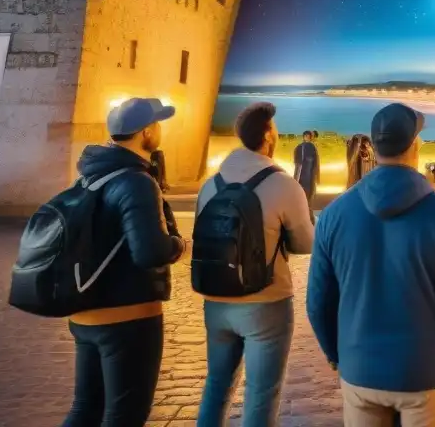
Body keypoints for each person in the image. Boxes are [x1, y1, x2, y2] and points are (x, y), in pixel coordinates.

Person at [308, 103, 435, 427]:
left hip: (360, 371)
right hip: (429, 374)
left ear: (373, 148)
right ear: (415, 146)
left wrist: (339, 356)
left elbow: (317, 302)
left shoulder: (333, 214)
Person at [63, 98, 186, 427]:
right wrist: (179, 244)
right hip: (127, 317)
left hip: (85, 310)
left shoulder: (88, 176)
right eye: (157, 124)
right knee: (125, 415)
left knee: (85, 408)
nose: (160, 130)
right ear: (146, 132)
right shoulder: (136, 181)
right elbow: (150, 252)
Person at [194, 102, 315, 427]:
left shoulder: (210, 184)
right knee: (261, 394)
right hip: (265, 301)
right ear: (267, 135)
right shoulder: (283, 184)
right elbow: (306, 243)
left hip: (216, 300)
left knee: (216, 387)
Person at [293, 129, 320, 223]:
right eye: (306, 136)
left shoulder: (312, 148)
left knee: (308, 199)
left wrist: (317, 177)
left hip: (309, 177)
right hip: (301, 177)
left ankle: (308, 219)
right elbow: (297, 165)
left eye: (309, 136)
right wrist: (295, 179)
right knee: (301, 199)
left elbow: (316, 165)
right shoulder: (299, 148)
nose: (307, 138)